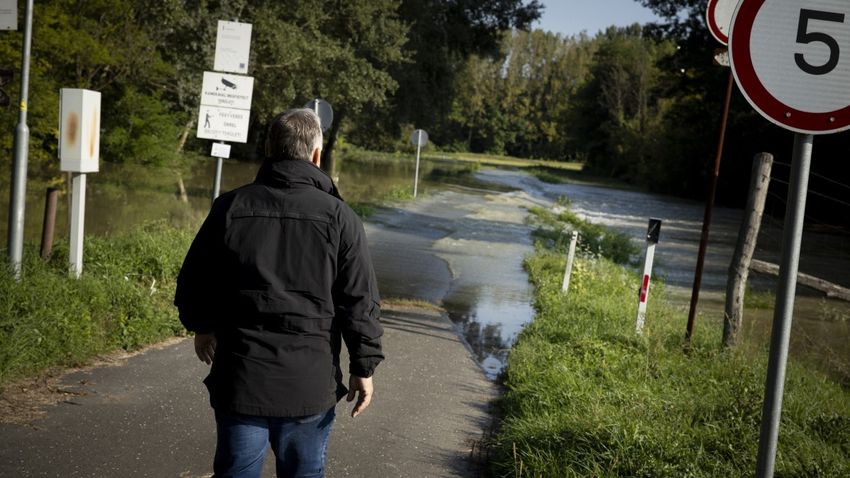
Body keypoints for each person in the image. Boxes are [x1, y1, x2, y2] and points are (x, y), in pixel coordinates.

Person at [174, 108, 384, 478]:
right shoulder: (340, 218)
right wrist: (363, 366)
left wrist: (202, 325)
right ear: (316, 156)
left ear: (268, 150)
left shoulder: (231, 208)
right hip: (309, 384)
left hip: (241, 377)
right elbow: (359, 301)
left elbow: (194, 279)